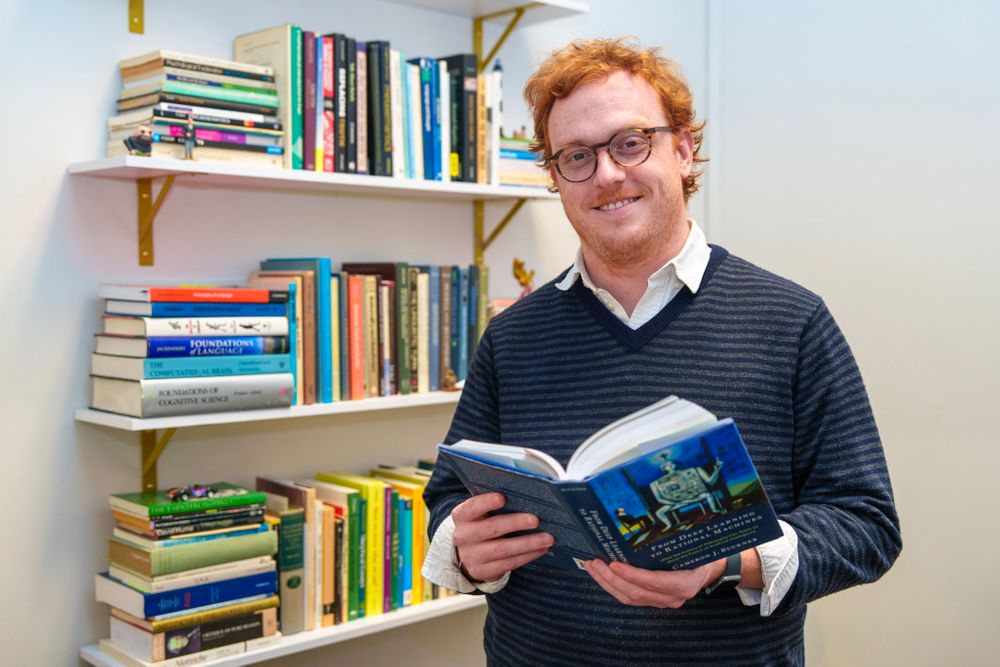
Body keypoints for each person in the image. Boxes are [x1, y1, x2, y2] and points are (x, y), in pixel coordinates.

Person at [422, 37, 901, 666]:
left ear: (683, 149)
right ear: (556, 179)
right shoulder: (512, 334)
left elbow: (866, 525)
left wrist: (728, 561)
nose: (607, 175)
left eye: (631, 142)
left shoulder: (792, 321)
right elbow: (447, 499)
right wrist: (463, 546)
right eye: (576, 156)